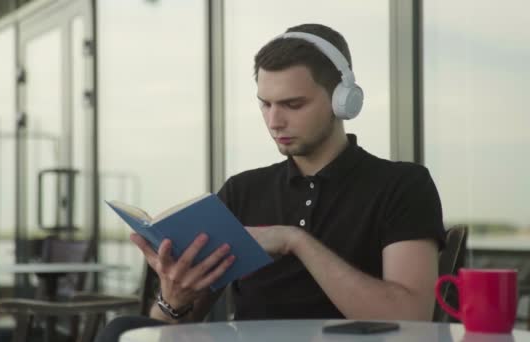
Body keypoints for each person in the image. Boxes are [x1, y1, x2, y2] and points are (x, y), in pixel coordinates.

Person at [96, 23, 445, 341]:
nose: (274, 121)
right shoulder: (243, 191)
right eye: (265, 104)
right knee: (124, 330)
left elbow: (409, 317)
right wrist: (173, 297)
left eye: (293, 104)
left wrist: (295, 240)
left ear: (343, 100)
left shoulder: (402, 185)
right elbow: (168, 329)